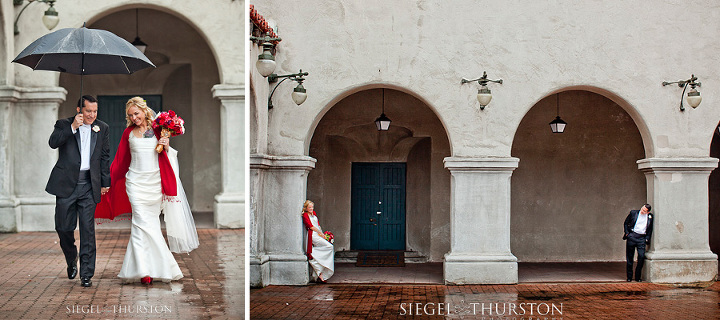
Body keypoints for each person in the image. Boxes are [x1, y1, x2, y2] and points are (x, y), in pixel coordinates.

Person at [95, 97, 198, 284]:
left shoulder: (158, 130)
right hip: (135, 183)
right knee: (140, 223)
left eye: (136, 113)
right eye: (131, 115)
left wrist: (166, 145)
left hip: (155, 184)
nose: (134, 118)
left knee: (149, 226)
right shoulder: (128, 133)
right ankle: (144, 272)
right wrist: (106, 181)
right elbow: (120, 160)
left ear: (144, 111)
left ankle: (155, 267)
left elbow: (168, 156)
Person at [46, 95, 110, 287]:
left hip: (89, 185)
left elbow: (105, 156)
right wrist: (73, 126)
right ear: (79, 109)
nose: (92, 115)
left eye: (95, 111)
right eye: (88, 111)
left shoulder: (102, 127)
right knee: (63, 227)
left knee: (87, 231)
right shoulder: (63, 124)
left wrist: (105, 182)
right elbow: (53, 142)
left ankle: (86, 274)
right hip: (66, 185)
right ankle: (71, 257)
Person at [301, 200, 334, 283]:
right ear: (306, 208)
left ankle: (321, 272)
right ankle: (313, 254)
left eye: (312, 207)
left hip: (318, 234)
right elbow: (310, 226)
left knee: (328, 246)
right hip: (312, 235)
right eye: (309, 207)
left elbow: (318, 225)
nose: (311, 208)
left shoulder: (313, 214)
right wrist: (319, 233)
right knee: (329, 247)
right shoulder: (305, 215)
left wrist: (322, 234)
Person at [623, 203, 653, 282]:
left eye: (644, 211)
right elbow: (626, 223)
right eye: (642, 209)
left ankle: (637, 277)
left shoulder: (650, 217)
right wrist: (627, 233)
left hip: (641, 238)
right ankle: (629, 277)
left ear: (648, 212)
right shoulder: (633, 213)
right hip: (632, 236)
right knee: (630, 258)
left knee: (641, 257)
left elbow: (650, 229)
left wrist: (647, 238)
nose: (642, 211)